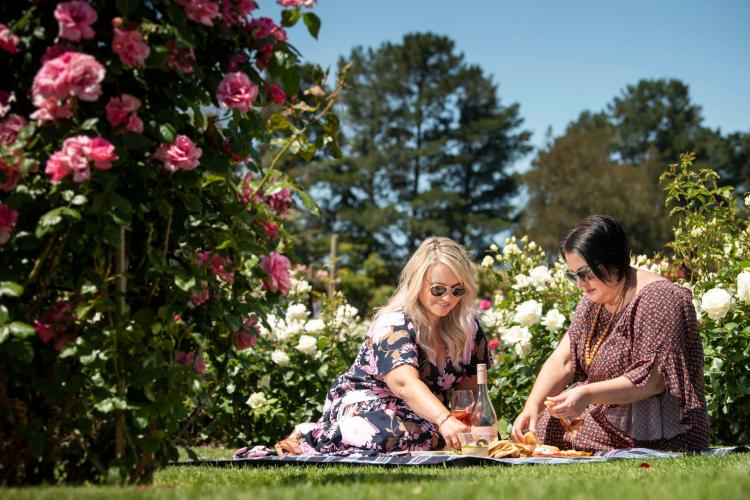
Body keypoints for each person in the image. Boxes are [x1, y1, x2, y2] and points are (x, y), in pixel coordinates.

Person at [511, 215, 709, 452]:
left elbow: (653, 382)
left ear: (613, 261)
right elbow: (563, 361)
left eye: (586, 273)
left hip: (657, 430)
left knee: (550, 435)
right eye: (574, 275)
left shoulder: (660, 298)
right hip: (606, 414)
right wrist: (532, 406)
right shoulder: (595, 299)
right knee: (539, 428)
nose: (580, 284)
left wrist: (586, 394)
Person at [287, 236, 492, 454]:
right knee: (404, 433)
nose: (448, 298)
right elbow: (403, 383)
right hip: (370, 403)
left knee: (441, 434)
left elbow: (470, 388)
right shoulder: (393, 323)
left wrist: (467, 424)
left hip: (423, 413)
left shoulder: (467, 326)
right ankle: (310, 436)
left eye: (457, 290)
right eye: (438, 289)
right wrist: (444, 420)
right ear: (417, 282)